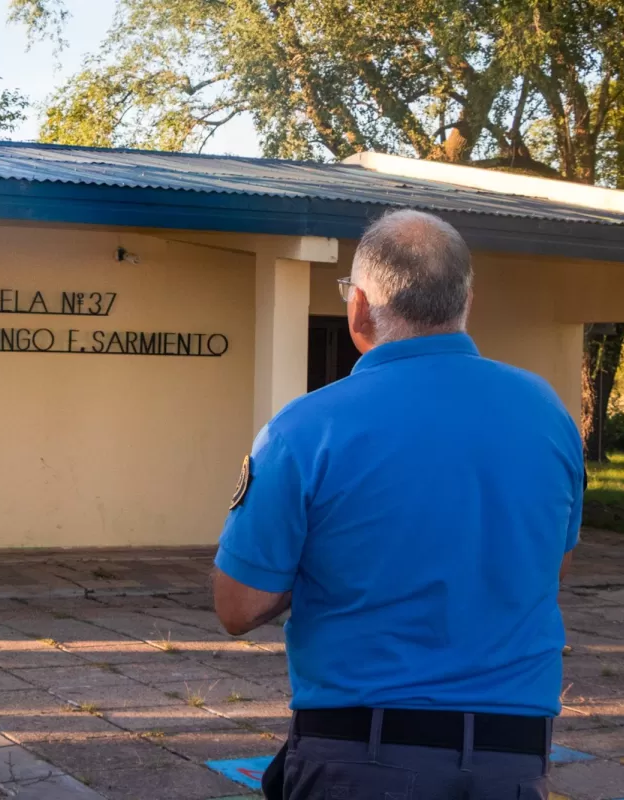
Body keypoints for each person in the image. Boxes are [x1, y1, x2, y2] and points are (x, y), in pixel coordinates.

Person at [213, 209, 583, 799]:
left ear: (358, 305)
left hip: (360, 753)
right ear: (466, 300)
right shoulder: (547, 413)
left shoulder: (306, 428)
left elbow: (239, 604)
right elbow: (553, 567)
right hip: (510, 756)